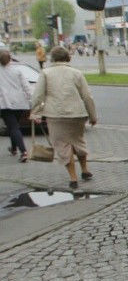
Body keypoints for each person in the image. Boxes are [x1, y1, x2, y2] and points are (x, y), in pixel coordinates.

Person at [30, 46, 98, 190]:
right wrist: (93, 116)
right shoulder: (77, 73)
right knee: (78, 142)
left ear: (52, 58)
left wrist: (35, 113)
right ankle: (85, 170)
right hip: (77, 113)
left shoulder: (46, 73)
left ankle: (73, 178)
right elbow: (87, 96)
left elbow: (38, 95)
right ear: (68, 57)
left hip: (55, 115)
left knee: (62, 146)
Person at [0, 49, 33, 162]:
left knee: (13, 127)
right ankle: (13, 148)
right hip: (20, 103)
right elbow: (26, 86)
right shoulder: (17, 70)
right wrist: (31, 99)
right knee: (14, 126)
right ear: (10, 58)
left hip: (5, 103)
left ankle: (23, 151)